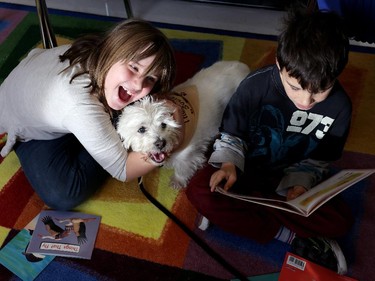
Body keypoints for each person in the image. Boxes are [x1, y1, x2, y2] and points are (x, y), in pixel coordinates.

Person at [186, 9, 353, 275]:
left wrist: (300, 183)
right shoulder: (255, 86)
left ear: (336, 75)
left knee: (341, 220)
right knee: (199, 190)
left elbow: (320, 159)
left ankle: (247, 210)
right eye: (295, 87)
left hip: (289, 183)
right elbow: (231, 136)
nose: (306, 102)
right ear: (279, 63)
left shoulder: (340, 106)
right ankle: (289, 235)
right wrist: (229, 165)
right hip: (244, 169)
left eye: (319, 91)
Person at [0, 19, 181, 210]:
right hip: (31, 130)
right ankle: (108, 130)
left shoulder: (101, 53)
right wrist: (176, 123)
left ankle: (104, 130)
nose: (137, 85)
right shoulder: (78, 102)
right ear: (113, 51)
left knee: (134, 104)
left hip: (33, 93)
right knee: (63, 194)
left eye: (150, 78)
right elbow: (124, 170)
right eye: (134, 68)